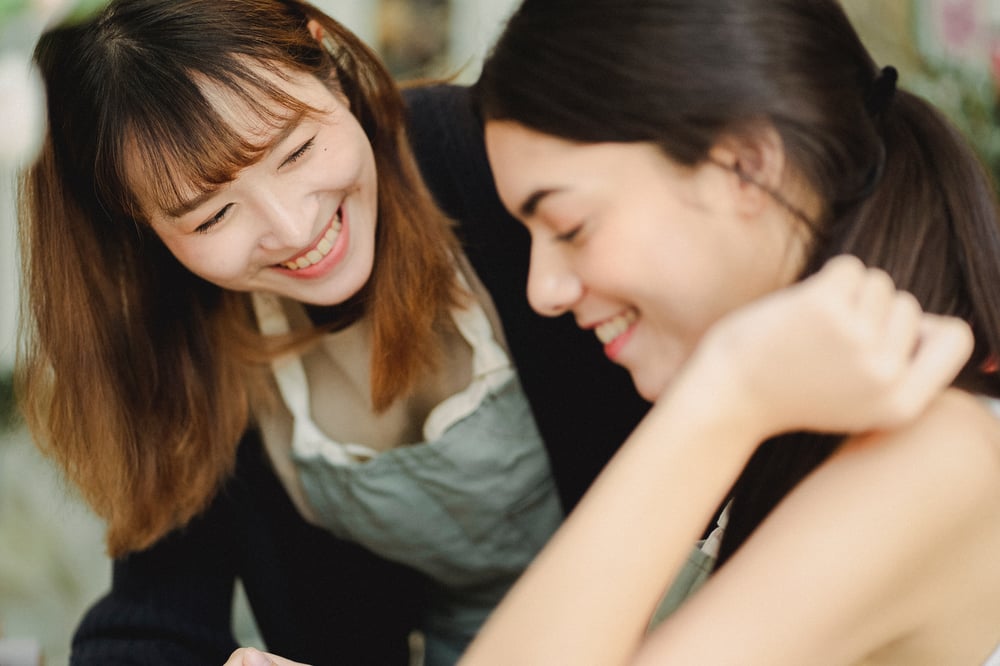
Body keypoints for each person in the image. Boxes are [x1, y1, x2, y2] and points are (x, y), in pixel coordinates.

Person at [16, 1, 650, 664]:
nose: (294, 231)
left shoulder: (491, 160)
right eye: (210, 218)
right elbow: (145, 620)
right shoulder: (185, 342)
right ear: (132, 223)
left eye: (296, 150)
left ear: (330, 67)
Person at [464, 0, 1000, 664]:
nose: (541, 290)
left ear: (746, 167)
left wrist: (730, 390)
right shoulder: (796, 427)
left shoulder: (929, 457)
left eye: (571, 226)